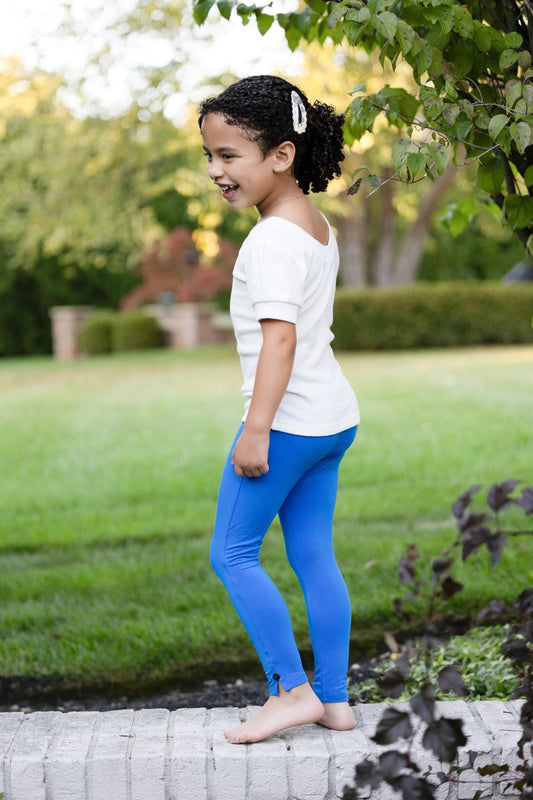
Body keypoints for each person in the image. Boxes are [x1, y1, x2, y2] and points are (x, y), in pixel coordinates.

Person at [198, 75, 360, 744]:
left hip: (288, 423)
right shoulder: (314, 226)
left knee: (231, 553)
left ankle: (289, 691)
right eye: (208, 155)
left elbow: (280, 338)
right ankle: (334, 699)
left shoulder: (268, 242)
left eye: (229, 155)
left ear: (281, 156)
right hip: (333, 418)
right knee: (312, 553)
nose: (215, 171)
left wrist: (255, 431)